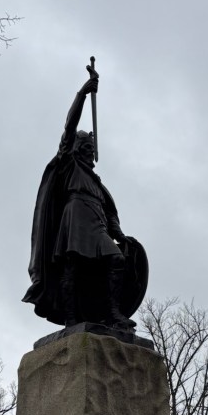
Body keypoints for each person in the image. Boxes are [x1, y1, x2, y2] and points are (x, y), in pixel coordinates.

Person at [23, 65, 147, 329]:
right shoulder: (69, 164)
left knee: (116, 259)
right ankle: (70, 318)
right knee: (72, 267)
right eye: (87, 148)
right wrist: (83, 92)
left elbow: (110, 213)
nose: (90, 152)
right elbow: (69, 127)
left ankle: (113, 312)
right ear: (78, 149)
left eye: (92, 148)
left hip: (97, 223)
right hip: (75, 218)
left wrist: (120, 234)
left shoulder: (98, 184)